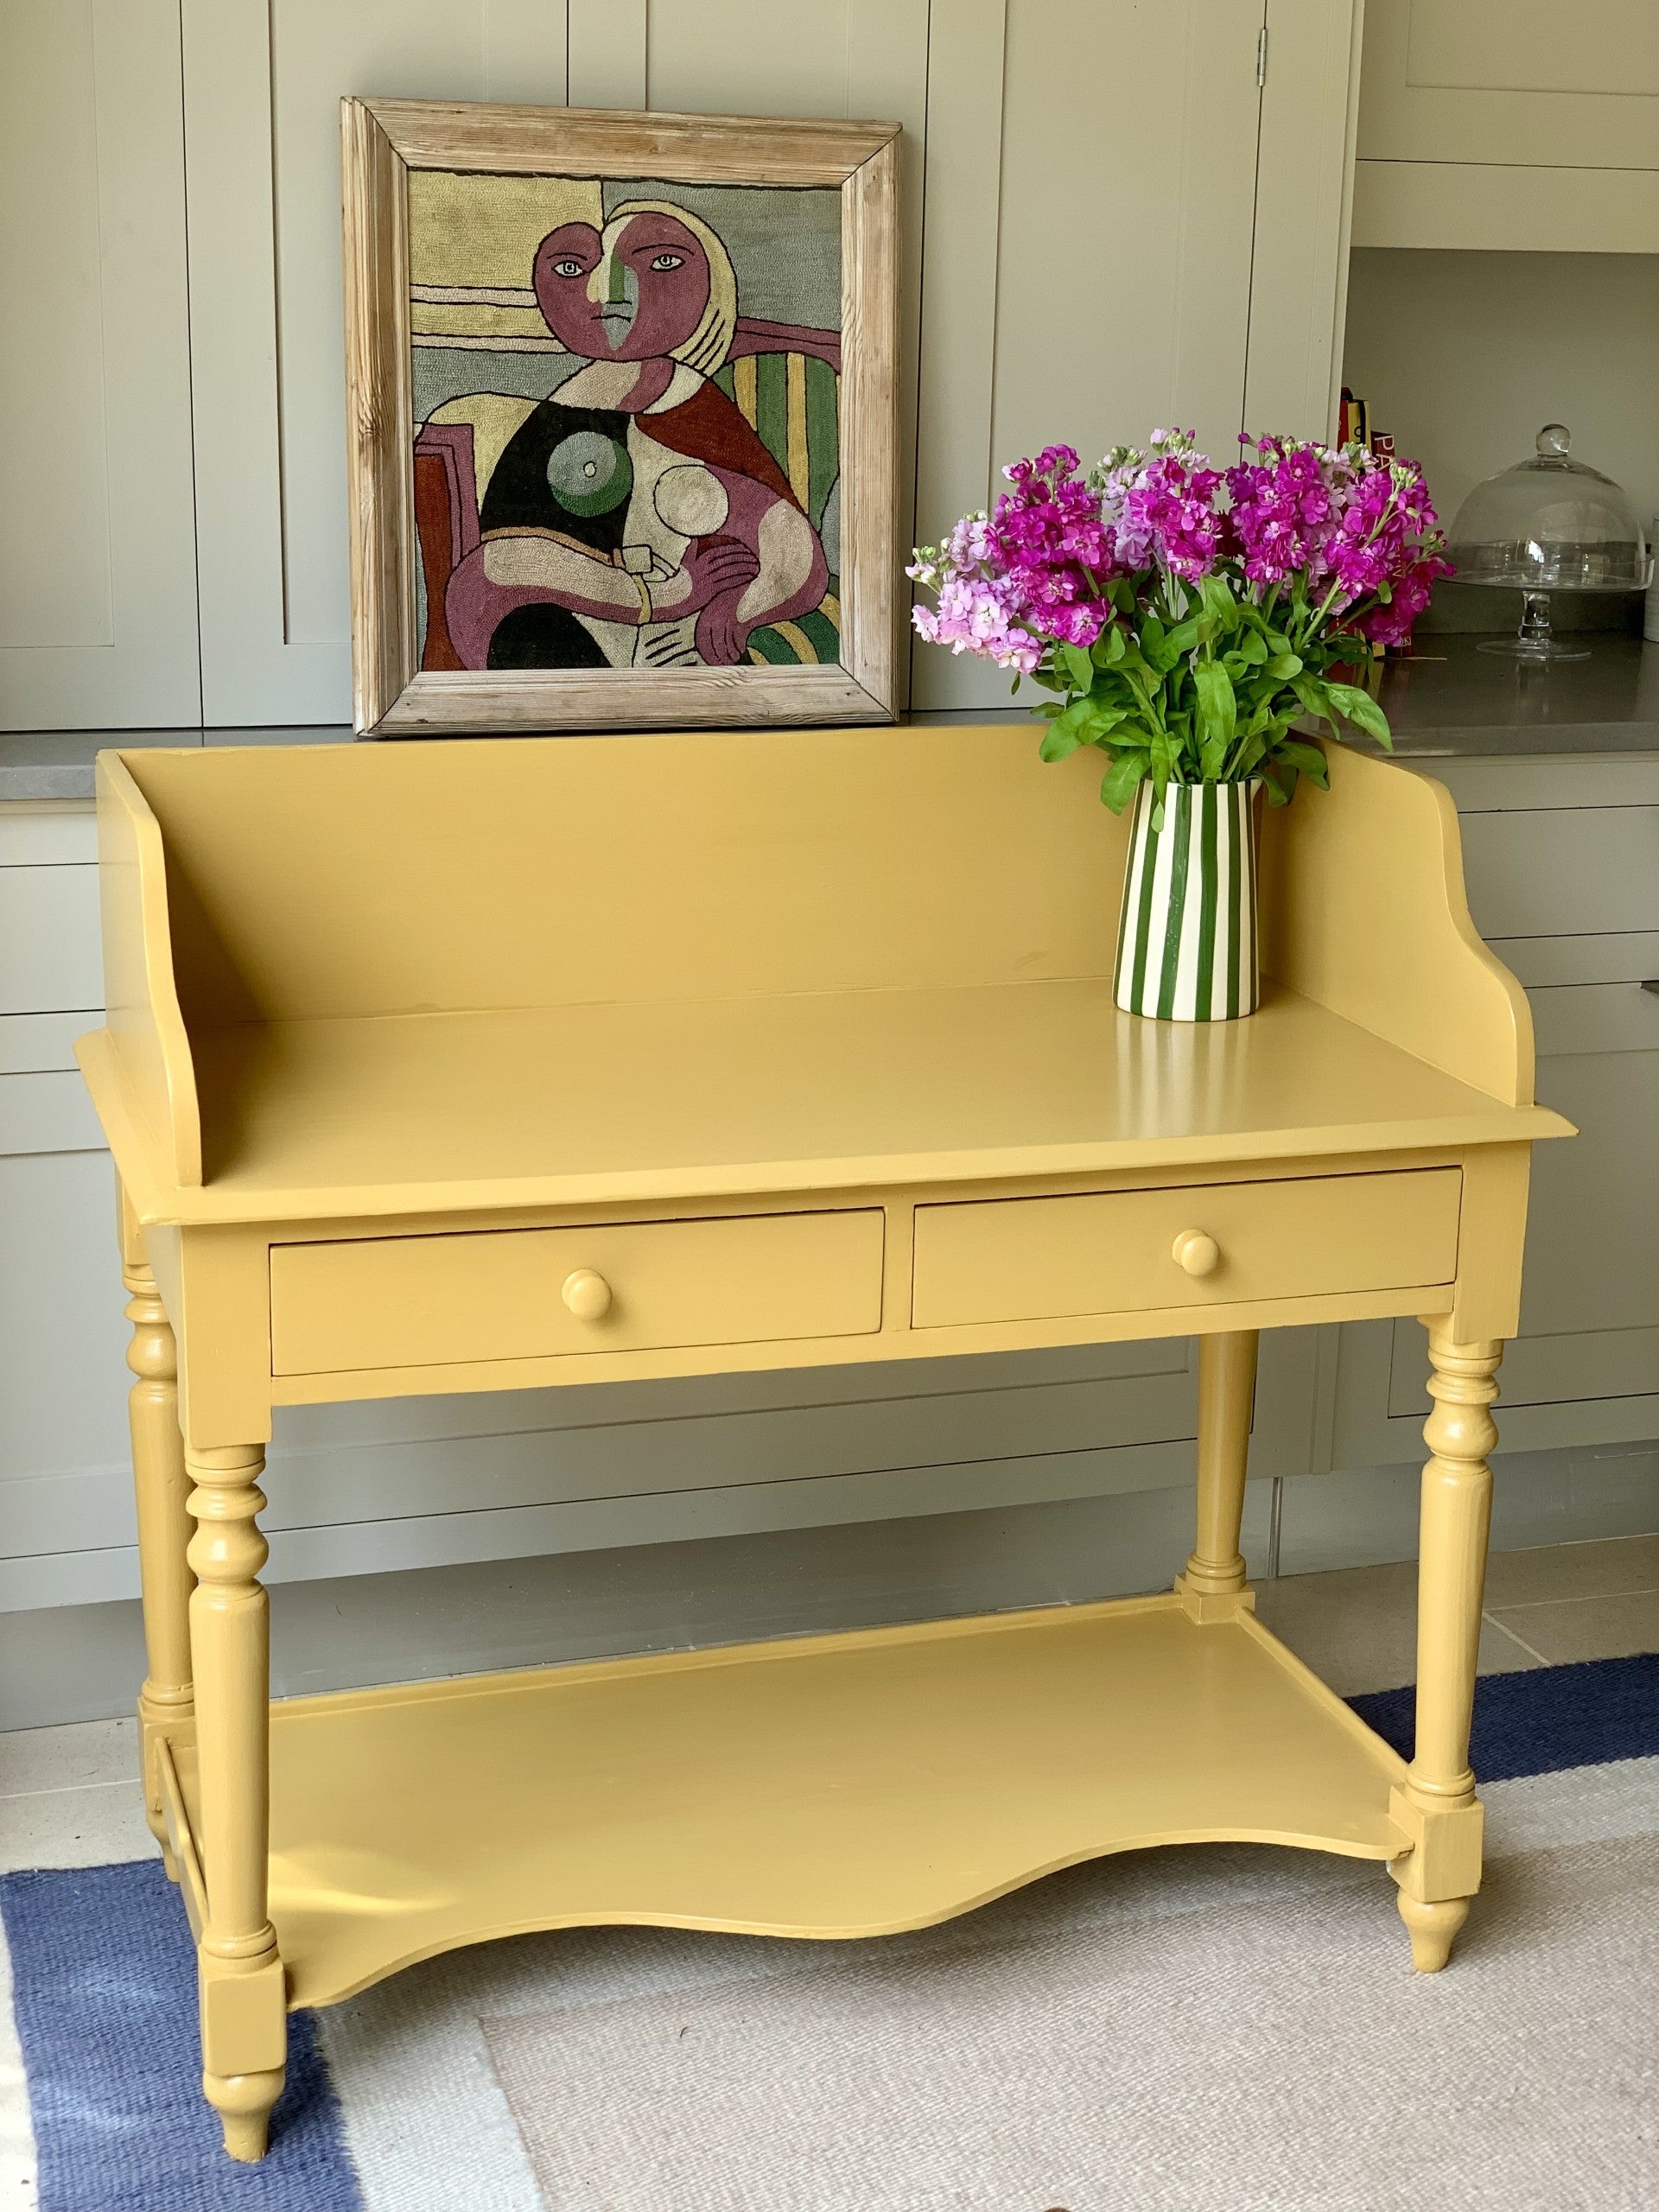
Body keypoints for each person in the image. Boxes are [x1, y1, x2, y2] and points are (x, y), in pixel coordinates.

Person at [440, 200, 828, 671]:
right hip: (567, 638)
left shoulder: (696, 409)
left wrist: (740, 610)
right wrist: (663, 596)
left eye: (661, 263)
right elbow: (499, 570)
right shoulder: (559, 415)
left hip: (679, 649)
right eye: (571, 269)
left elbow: (792, 548)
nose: (608, 293)